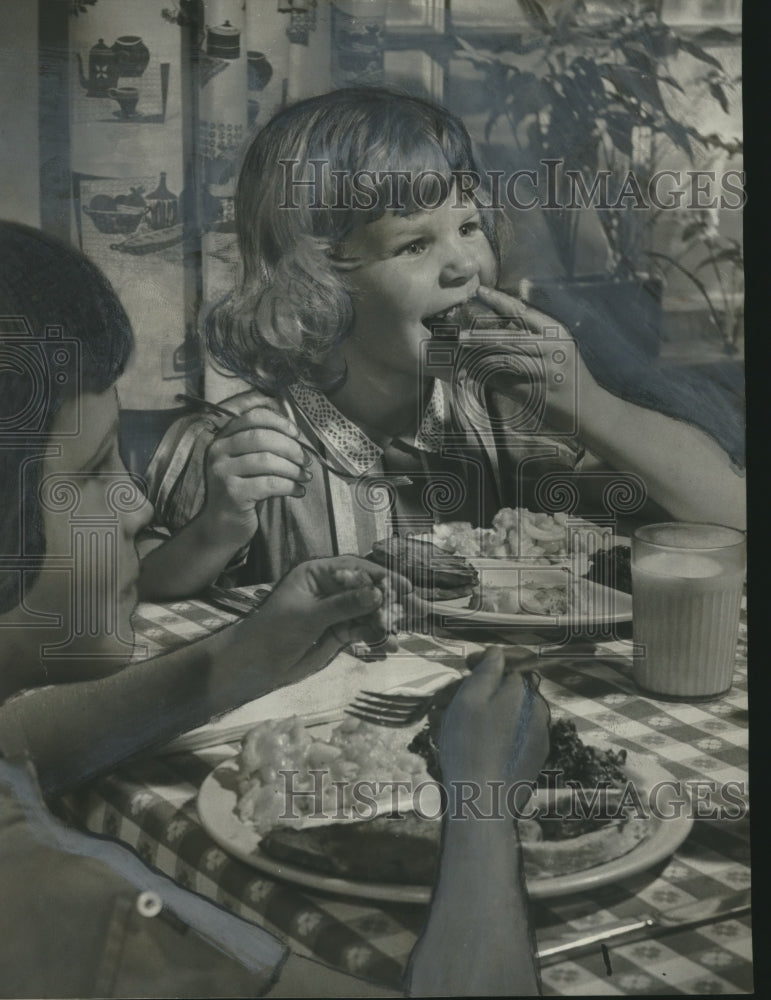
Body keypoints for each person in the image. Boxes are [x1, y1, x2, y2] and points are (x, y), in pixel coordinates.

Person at [0, 220, 549, 997]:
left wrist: (240, 659)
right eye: (94, 469)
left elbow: (15, 740)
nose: (132, 504)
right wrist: (483, 796)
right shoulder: (56, 903)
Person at [139, 87, 745, 600]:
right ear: (312, 286)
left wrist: (591, 405)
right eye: (414, 245)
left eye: (468, 226)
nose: (464, 266)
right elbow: (143, 607)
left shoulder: (506, 420)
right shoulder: (239, 451)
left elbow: (735, 524)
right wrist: (216, 530)